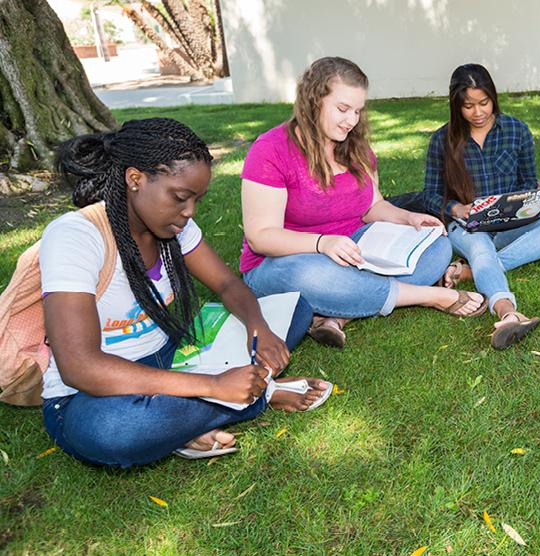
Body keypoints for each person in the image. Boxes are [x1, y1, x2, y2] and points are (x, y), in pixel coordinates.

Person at [40, 118, 330, 469]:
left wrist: (259, 328)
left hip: (170, 357)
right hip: (92, 394)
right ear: (136, 179)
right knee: (112, 430)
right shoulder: (76, 235)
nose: (189, 211)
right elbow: (80, 367)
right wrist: (211, 385)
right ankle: (261, 393)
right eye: (180, 197)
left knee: (295, 308)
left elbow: (227, 284)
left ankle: (182, 425)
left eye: (196, 200)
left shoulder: (177, 227)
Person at [241, 57, 485, 349]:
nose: (351, 121)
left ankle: (337, 314)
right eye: (342, 109)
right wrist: (323, 244)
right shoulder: (270, 151)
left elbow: (372, 207)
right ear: (312, 100)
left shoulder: (356, 147)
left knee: (438, 246)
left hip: (356, 248)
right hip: (288, 260)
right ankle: (430, 296)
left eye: (357, 111)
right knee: (314, 276)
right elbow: (261, 237)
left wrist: (408, 218)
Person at [423, 63, 540, 349]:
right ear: (456, 106)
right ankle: (507, 312)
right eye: (469, 106)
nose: (478, 112)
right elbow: (430, 195)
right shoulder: (442, 141)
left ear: (493, 98)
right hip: (467, 226)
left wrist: (525, 205)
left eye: (484, 103)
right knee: (481, 247)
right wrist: (457, 209)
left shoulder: (516, 131)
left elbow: (528, 183)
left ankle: (474, 270)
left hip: (511, 223)